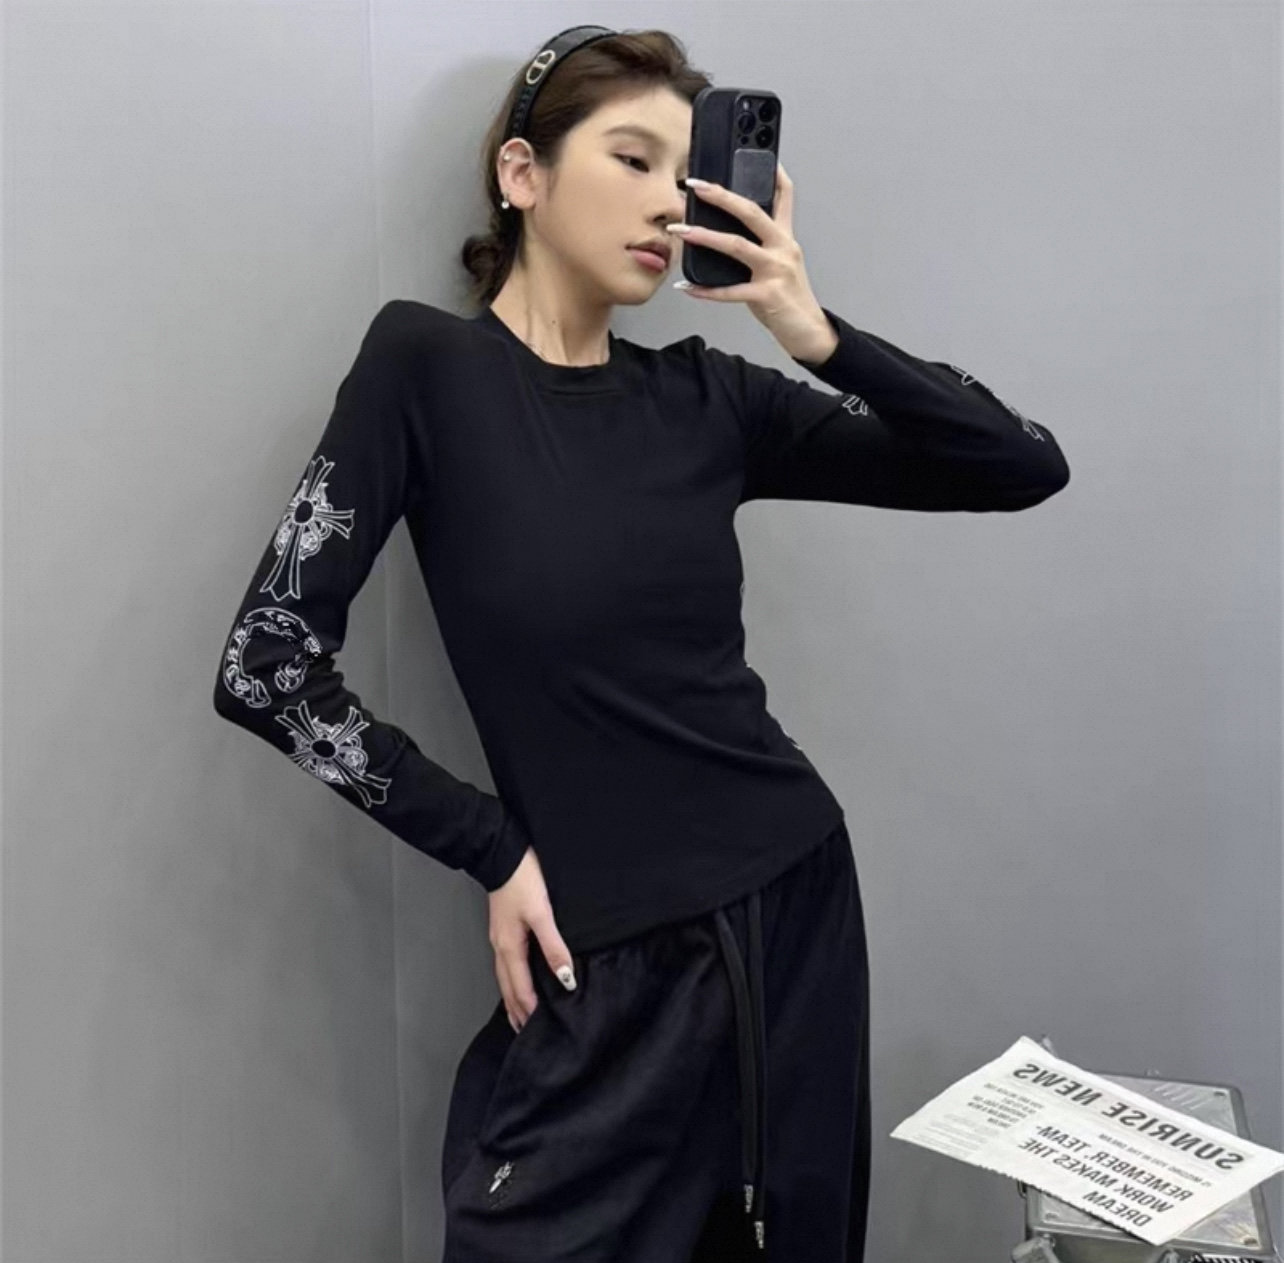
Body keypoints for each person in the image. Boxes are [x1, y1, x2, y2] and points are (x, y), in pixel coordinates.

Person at [212, 24, 1071, 1263]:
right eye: (633, 159)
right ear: (522, 174)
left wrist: (810, 326)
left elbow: (1019, 466)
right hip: (602, 958)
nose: (671, 203)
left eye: (687, 172)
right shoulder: (425, 369)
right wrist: (492, 847)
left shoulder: (709, 399)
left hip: (791, 916)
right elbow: (266, 661)